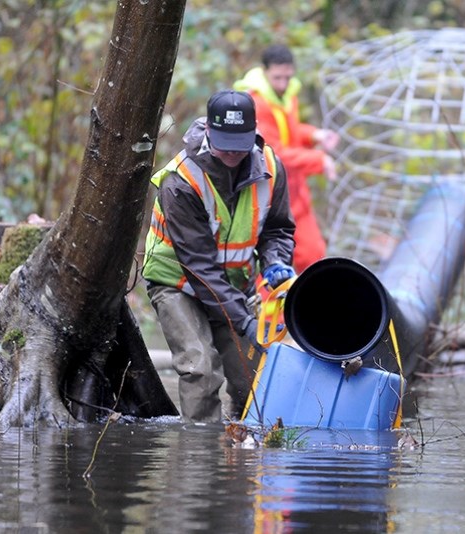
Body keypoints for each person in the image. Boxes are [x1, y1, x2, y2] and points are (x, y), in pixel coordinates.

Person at [142, 90, 296, 422]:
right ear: (208, 132)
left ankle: (245, 451)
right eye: (223, 141)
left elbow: (278, 230)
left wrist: (275, 262)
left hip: (233, 285)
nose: (230, 152)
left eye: (239, 144)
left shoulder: (271, 168)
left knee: (252, 374)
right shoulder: (180, 183)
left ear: (253, 134)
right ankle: (201, 458)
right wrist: (243, 321)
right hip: (178, 283)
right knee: (200, 368)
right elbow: (198, 267)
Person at [234, 44, 340, 274]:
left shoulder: (287, 96)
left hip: (296, 191)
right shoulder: (256, 103)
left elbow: (289, 134)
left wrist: (314, 135)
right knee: (274, 264)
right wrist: (319, 160)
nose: (283, 83)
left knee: (313, 255)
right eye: (277, 77)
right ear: (264, 72)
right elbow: (274, 152)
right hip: (271, 193)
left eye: (288, 77)